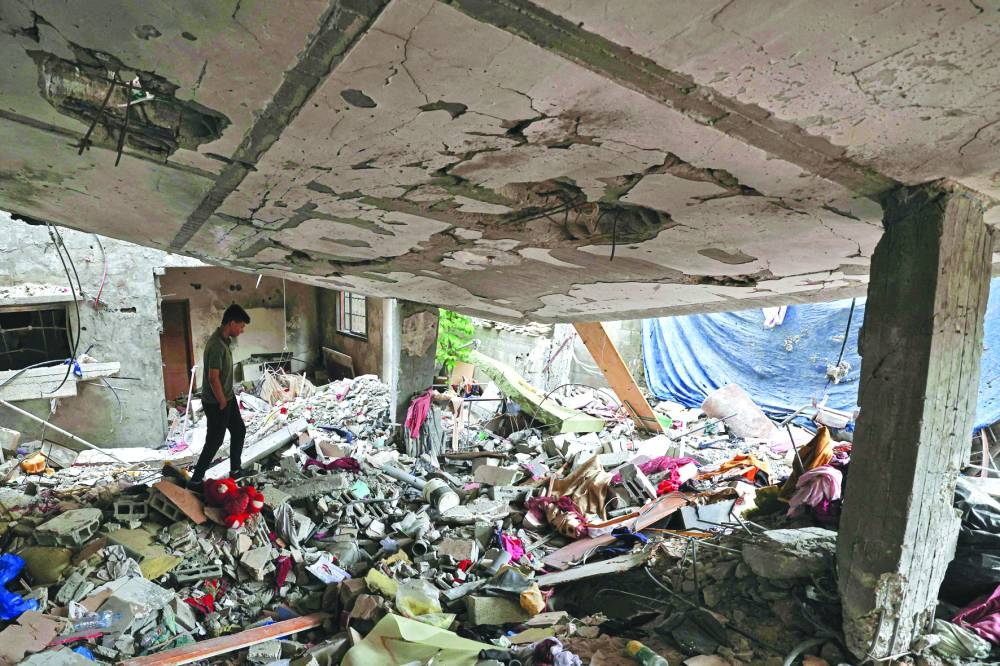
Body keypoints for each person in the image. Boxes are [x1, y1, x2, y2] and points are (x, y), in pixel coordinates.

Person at [188, 304, 251, 491]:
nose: (242, 330)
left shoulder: (224, 341)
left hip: (227, 398)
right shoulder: (216, 345)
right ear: (231, 323)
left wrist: (228, 398)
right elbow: (212, 377)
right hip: (217, 402)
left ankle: (235, 471)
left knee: (238, 430)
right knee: (215, 440)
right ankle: (196, 480)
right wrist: (223, 401)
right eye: (240, 326)